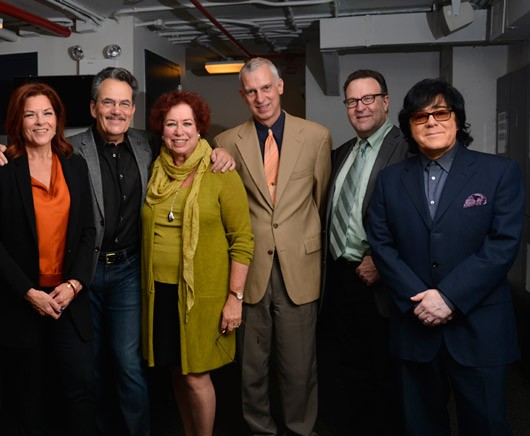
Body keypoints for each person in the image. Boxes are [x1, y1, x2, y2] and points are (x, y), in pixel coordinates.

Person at [0, 67, 234, 436]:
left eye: (124, 103)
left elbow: (187, 141)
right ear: (93, 107)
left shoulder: (149, 144)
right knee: (89, 367)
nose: (116, 110)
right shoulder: (72, 150)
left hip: (129, 270)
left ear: (133, 110)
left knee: (129, 364)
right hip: (83, 271)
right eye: (108, 102)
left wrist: (218, 150)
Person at [368, 78, 524, 436]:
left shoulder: (499, 172)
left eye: (441, 112)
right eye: (420, 117)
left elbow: (503, 244)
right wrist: (421, 300)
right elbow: (381, 243)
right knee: (420, 426)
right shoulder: (390, 180)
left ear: (457, 119)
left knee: (486, 426)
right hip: (415, 326)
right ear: (409, 126)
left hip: (480, 331)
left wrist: (449, 296)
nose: (432, 122)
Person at [213, 57, 331, 436]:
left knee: (299, 367)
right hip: (250, 269)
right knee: (251, 367)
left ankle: (301, 430)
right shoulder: (226, 142)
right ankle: (259, 429)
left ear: (280, 87)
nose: (260, 97)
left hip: (301, 265)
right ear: (243, 95)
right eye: (251, 91)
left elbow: (322, 198)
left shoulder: (316, 136)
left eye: (266, 88)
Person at [0, 82, 97, 436]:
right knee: (26, 397)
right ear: (18, 120)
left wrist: (75, 284)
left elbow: (89, 230)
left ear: (58, 119)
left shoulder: (74, 165)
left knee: (78, 388)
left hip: (67, 299)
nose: (40, 121)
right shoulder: (1, 167)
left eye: (47, 113)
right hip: (22, 302)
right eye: (30, 114)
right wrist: (28, 292)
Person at [142, 89, 253, 436]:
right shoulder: (154, 169)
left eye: (187, 123)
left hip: (202, 297)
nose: (179, 131)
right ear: (161, 130)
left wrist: (234, 299)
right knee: (176, 370)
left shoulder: (221, 171)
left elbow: (243, 241)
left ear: (200, 128)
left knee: (196, 375)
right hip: (158, 292)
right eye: (171, 123)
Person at [316, 69, 407, 436]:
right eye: (352, 101)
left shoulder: (407, 149)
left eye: (369, 98)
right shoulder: (343, 152)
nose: (360, 107)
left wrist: (382, 263)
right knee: (347, 366)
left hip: (378, 278)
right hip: (340, 274)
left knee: (385, 372)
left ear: (386, 102)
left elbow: (419, 218)